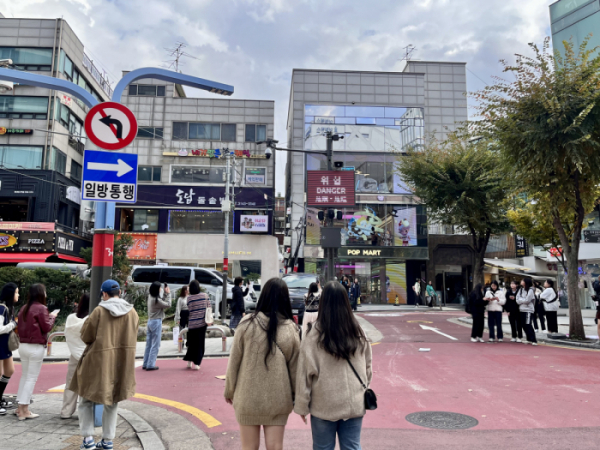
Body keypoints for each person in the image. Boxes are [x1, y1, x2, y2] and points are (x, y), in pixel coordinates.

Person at [224, 278, 300, 450]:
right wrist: (298, 398)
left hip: (247, 398)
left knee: (249, 448)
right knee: (275, 447)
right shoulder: (291, 330)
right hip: (278, 400)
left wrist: (229, 389)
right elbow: (295, 371)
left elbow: (234, 361)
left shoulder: (246, 324)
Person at [295, 281, 372, 450]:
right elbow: (368, 368)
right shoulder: (358, 331)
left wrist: (302, 405)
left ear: (323, 304)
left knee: (323, 447)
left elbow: (304, 374)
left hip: (324, 403)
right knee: (352, 446)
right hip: (353, 402)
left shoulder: (313, 334)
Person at [69, 279, 139, 450]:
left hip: (98, 362)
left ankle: (88, 439)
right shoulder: (133, 313)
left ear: (104, 294)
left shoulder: (99, 311)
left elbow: (86, 336)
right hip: (121, 362)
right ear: (120, 293)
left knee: (86, 397)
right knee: (112, 400)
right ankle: (108, 440)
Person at [16, 284, 57, 420]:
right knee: (31, 378)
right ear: (41, 293)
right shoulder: (42, 308)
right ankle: (24, 410)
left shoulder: (24, 308)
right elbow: (47, 327)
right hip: (35, 346)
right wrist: (52, 316)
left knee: (25, 376)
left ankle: (19, 408)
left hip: (23, 345)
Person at [61, 293, 89, 419]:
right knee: (87, 385)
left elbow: (68, 335)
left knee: (70, 384)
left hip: (74, 355)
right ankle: (85, 412)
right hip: (88, 356)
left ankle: (66, 411)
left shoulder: (71, 318)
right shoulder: (91, 319)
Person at [142, 281, 171, 371]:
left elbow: (162, 301)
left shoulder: (151, 297)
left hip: (150, 321)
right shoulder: (157, 300)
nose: (161, 289)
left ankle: (146, 363)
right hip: (156, 322)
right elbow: (168, 304)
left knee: (149, 344)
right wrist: (169, 294)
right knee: (156, 344)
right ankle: (151, 364)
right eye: (160, 288)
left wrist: (165, 294)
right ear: (157, 290)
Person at [183, 280, 212, 370]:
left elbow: (189, 309)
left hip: (192, 323)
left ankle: (189, 362)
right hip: (202, 323)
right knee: (200, 344)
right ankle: (197, 363)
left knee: (191, 344)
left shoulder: (189, 298)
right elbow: (209, 307)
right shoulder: (204, 296)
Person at [0, 283, 18, 415]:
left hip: (5, 345)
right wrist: (13, 324)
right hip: (0, 343)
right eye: (17, 292)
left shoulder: (8, 308)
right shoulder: (2, 308)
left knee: (9, 370)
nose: (18, 295)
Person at [516, 278, 538, 345]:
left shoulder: (530, 290)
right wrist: (522, 300)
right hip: (521, 309)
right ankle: (529, 339)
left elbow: (528, 300)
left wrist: (521, 300)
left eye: (522, 280)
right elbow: (517, 299)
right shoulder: (521, 290)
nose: (521, 281)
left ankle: (533, 340)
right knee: (523, 325)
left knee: (528, 324)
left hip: (528, 310)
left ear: (526, 282)